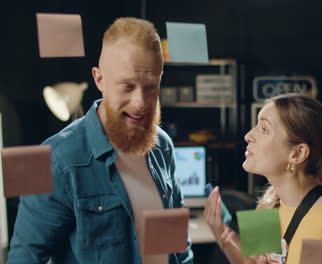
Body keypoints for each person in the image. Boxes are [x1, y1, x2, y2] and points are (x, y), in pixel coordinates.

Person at [7, 17, 193, 264]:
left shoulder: (162, 145)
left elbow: (176, 247)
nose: (140, 103)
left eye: (151, 87)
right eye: (127, 86)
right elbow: (25, 258)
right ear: (99, 79)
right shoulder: (53, 158)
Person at [204, 94, 322, 264]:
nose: (248, 135)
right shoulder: (267, 204)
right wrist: (222, 235)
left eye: (264, 129)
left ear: (297, 153)